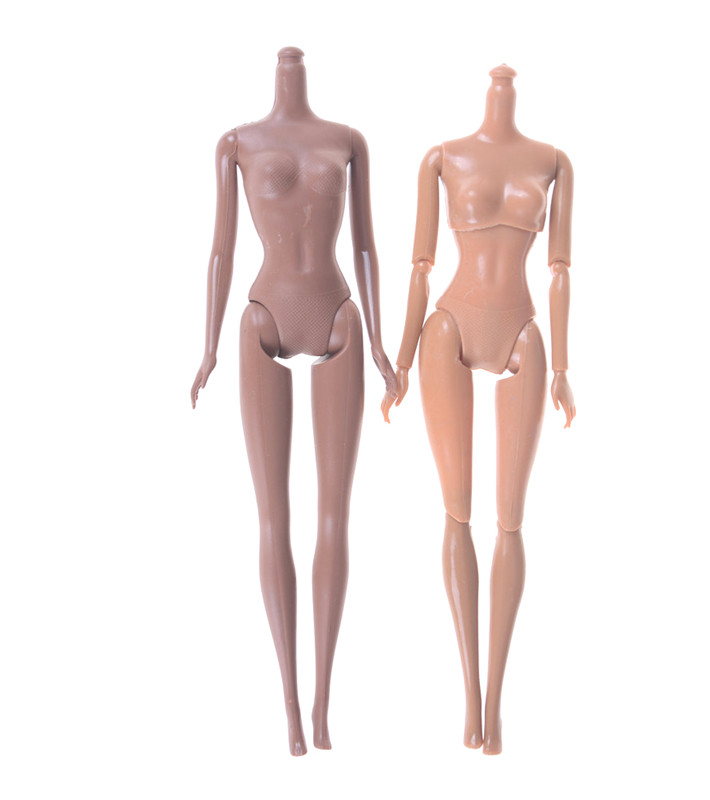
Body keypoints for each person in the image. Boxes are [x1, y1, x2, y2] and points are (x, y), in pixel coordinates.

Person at [192, 46, 396, 756]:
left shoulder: (349, 140)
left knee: (335, 516)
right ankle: (288, 706)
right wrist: (209, 347)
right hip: (264, 316)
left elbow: (366, 247)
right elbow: (220, 250)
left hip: (338, 312)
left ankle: (322, 704)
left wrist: (380, 344)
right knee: (273, 515)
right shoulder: (236, 142)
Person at [382, 64, 576, 754]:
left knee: (511, 519)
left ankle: (497, 703)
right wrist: (401, 361)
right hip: (448, 327)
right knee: (457, 509)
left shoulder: (554, 163)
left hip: (522, 330)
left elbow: (560, 271)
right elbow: (420, 268)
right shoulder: (441, 157)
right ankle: (471, 702)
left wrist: (563, 371)